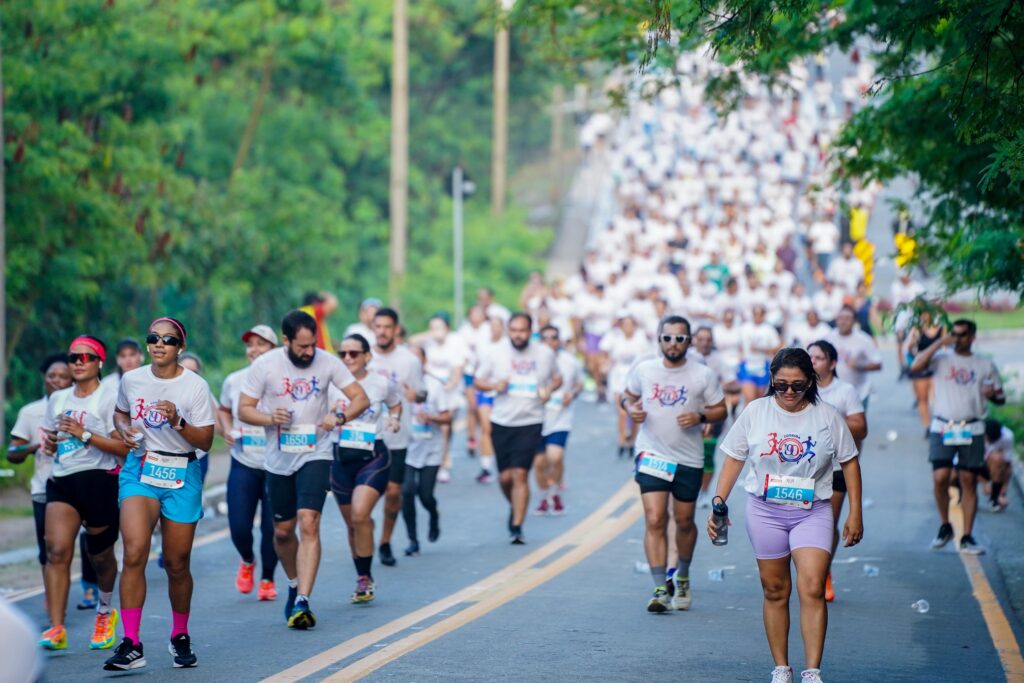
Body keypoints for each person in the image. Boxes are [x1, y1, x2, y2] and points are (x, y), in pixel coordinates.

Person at [709, 347, 863, 683]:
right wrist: (719, 500)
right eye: (781, 385)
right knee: (775, 590)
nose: (789, 392)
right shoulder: (755, 412)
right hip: (765, 512)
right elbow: (734, 457)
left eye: (797, 385)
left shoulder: (828, 416)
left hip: (813, 512)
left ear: (811, 381)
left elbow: (850, 461)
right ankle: (781, 667)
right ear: (772, 382)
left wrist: (855, 513)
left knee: (811, 587)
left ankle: (812, 670)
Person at [238, 310, 369, 629]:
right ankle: (294, 583)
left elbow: (360, 399)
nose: (309, 352)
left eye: (312, 345)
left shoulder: (328, 362)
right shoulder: (264, 366)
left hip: (316, 450)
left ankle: (303, 601)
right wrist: (270, 418)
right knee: (283, 532)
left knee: (309, 523)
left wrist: (338, 419)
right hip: (278, 456)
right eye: (302, 347)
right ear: (285, 341)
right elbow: (244, 409)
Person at [104, 318, 216, 671]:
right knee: (134, 551)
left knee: (176, 563)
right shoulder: (132, 379)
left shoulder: (194, 387)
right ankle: (131, 642)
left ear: (180, 347)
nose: (159, 344)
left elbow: (207, 441)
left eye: (168, 340)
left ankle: (180, 635)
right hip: (141, 470)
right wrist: (125, 430)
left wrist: (178, 422)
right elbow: (120, 413)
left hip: (182, 470)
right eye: (153, 338)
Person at [622, 315, 726, 612]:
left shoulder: (702, 374)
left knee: (683, 521)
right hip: (652, 454)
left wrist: (701, 417)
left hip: (688, 459)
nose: (673, 343)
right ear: (659, 340)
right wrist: (631, 409)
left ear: (689, 342)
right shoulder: (644, 370)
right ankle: (659, 588)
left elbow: (721, 409)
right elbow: (626, 396)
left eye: (680, 338)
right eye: (667, 338)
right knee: (655, 518)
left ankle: (681, 575)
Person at [37, 336, 127, 652]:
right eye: (74, 356)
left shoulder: (109, 397)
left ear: (99, 363)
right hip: (63, 480)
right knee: (57, 550)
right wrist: (51, 444)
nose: (78, 361)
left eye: (86, 357)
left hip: (100, 480)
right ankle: (56, 627)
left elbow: (123, 447)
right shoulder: (58, 399)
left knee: (100, 556)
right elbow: (53, 439)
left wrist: (83, 433)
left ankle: (105, 611)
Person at [911, 319, 1005, 554]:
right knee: (940, 477)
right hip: (943, 427)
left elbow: (1001, 398)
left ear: (973, 336)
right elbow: (916, 366)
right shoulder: (941, 358)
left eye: (962, 334)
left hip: (972, 428)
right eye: (954, 334)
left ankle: (967, 536)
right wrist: (939, 343)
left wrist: (992, 395)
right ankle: (945, 525)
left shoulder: (984, 364)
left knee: (968, 481)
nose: (957, 338)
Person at [474, 313, 560, 544]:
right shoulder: (496, 352)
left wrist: (549, 389)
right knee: (504, 478)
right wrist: (494, 385)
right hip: (502, 420)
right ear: (507, 331)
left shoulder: (544, 353)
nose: (517, 335)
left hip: (531, 420)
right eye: (513, 330)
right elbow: (477, 380)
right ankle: (515, 504)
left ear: (530, 331)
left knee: (520, 473)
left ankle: (517, 526)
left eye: (522, 330)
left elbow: (557, 378)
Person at [329, 334, 401, 603]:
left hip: (373, 457)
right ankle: (363, 577)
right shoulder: (330, 384)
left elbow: (396, 403)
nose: (347, 358)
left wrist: (394, 419)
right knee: (352, 524)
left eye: (354, 353)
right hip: (340, 459)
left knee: (360, 515)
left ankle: (364, 577)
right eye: (342, 353)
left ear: (367, 356)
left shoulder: (381, 383)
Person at [217, 324, 280, 601]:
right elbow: (224, 410)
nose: (254, 349)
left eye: (261, 344)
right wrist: (227, 430)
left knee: (272, 528)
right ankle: (247, 560)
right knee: (239, 526)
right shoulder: (234, 380)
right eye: (250, 344)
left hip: (277, 465)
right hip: (243, 461)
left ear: (274, 350)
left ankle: (267, 579)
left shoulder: (283, 382)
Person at [8, 354, 72, 597]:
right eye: (51, 376)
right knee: (49, 549)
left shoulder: (85, 408)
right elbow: (13, 452)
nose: (57, 381)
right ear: (44, 379)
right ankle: (53, 600)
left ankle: (94, 591)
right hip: (45, 489)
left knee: (93, 546)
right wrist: (35, 446)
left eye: (63, 376)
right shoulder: (30, 412)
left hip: (81, 485)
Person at [807, 340, 867, 603]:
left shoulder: (845, 391)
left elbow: (861, 428)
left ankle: (822, 573)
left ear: (832, 363)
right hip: (803, 468)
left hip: (835, 468)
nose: (812, 362)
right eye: (809, 357)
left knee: (825, 523)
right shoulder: (799, 388)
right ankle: (809, 570)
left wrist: (830, 422)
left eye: (818, 358)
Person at [368, 307, 426, 567]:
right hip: (365, 437)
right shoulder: (362, 357)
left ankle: (385, 542)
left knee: (393, 492)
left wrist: (416, 396)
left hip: (397, 437)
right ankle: (362, 531)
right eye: (378, 326)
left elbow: (423, 393)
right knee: (363, 497)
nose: (382, 331)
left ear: (396, 330)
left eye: (387, 327)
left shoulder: (409, 361)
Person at [402, 349, 453, 556]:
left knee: (425, 495)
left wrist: (431, 417)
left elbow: (448, 416)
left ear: (424, 361)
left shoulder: (434, 385)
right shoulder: (397, 384)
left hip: (431, 448)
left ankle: (433, 513)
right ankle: (413, 540)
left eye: (417, 359)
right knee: (406, 492)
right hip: (406, 448)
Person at [534, 325, 584, 515]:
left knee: (555, 457)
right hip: (536, 418)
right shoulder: (532, 361)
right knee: (539, 463)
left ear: (559, 340)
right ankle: (543, 496)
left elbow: (579, 384)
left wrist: (572, 393)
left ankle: (555, 493)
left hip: (560, 418)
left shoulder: (570, 362)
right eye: (545, 338)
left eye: (553, 337)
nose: (549, 341)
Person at [416, 314, 469, 483]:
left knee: (446, 426)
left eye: (439, 327)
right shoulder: (428, 341)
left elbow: (458, 368)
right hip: (430, 389)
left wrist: (450, 385)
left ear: (447, 328)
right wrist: (430, 334)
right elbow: (411, 342)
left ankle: (443, 461)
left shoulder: (456, 341)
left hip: (449, 390)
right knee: (434, 426)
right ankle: (437, 460)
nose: (436, 331)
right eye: (433, 327)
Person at [692, 327, 740, 509]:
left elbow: (734, 385)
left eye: (708, 339)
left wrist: (715, 385)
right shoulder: (686, 357)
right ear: (694, 340)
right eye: (701, 338)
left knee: (707, 455)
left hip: (713, 416)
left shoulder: (718, 361)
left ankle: (704, 492)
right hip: (689, 414)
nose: (704, 342)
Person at [601, 313, 652, 458]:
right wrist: (606, 364)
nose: (628, 328)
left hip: (635, 379)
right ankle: (622, 440)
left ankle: (633, 441)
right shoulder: (614, 337)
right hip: (618, 378)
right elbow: (604, 351)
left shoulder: (641, 338)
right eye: (625, 324)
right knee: (622, 412)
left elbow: (648, 358)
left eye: (630, 324)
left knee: (634, 412)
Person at [826, 305, 881, 409]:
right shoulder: (829, 338)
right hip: (834, 393)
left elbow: (878, 364)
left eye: (847, 318)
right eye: (840, 318)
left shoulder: (864, 339)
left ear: (854, 321)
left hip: (859, 393)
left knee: (856, 425)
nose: (843, 322)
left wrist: (860, 366)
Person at [177, 352, 217, 484]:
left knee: (193, 500)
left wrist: (229, 433)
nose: (190, 376)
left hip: (198, 456)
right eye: (185, 371)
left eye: (194, 372)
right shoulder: (165, 390)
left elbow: (216, 419)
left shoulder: (203, 391)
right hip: (171, 457)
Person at [904, 310, 943, 433]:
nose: (925, 316)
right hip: (921, 368)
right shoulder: (917, 329)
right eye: (923, 314)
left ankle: (938, 422)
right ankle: (927, 426)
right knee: (923, 398)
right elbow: (910, 348)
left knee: (937, 397)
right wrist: (914, 341)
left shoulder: (942, 328)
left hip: (938, 367)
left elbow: (946, 346)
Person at [738, 305, 782, 406]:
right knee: (749, 399)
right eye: (755, 314)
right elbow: (739, 345)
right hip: (747, 365)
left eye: (760, 314)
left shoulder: (769, 329)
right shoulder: (744, 328)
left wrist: (760, 349)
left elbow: (777, 347)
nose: (757, 316)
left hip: (763, 365)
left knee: (759, 401)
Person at [983, 419, 1013, 512]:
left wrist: (1003, 490)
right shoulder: (976, 434)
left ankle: (995, 497)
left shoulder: (1007, 436)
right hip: (976, 465)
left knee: (998, 457)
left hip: (992, 465)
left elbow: (1008, 465)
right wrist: (985, 483)